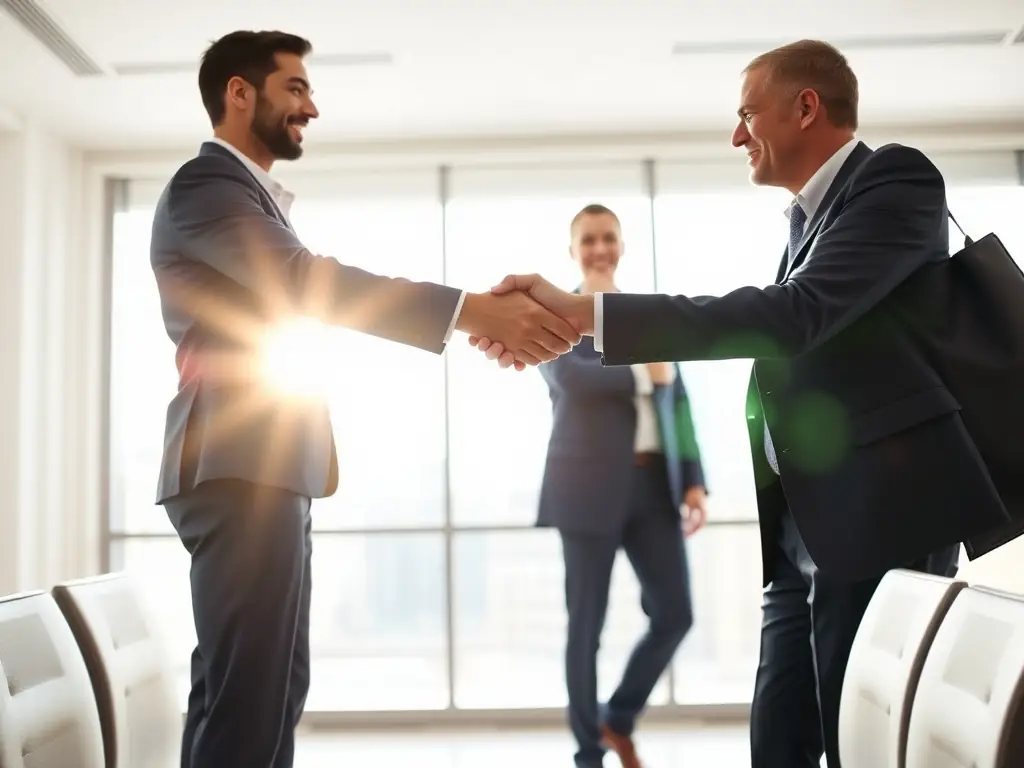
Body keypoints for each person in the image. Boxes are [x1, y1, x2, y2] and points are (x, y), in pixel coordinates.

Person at [470, 39, 1013, 768]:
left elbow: (795, 317)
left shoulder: (897, 180)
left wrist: (589, 316)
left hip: (881, 506)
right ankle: (591, 741)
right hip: (800, 520)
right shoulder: (802, 222)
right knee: (780, 729)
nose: (736, 136)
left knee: (854, 731)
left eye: (747, 114)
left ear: (805, 108)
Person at [150, 30, 580, 768]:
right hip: (237, 461)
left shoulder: (244, 197)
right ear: (238, 93)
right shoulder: (205, 187)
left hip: (261, 462)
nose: (311, 106)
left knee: (264, 687)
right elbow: (311, 282)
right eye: (295, 88)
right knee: (249, 697)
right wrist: (471, 310)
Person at [538, 204, 707, 768]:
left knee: (675, 613)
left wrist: (695, 481)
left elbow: (676, 401)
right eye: (588, 240)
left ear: (622, 245)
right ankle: (588, 750)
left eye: (608, 237)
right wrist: (642, 359)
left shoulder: (645, 315)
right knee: (586, 627)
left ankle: (617, 718)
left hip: (654, 486)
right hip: (586, 488)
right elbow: (570, 378)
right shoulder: (558, 316)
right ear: (573, 251)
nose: (599, 248)